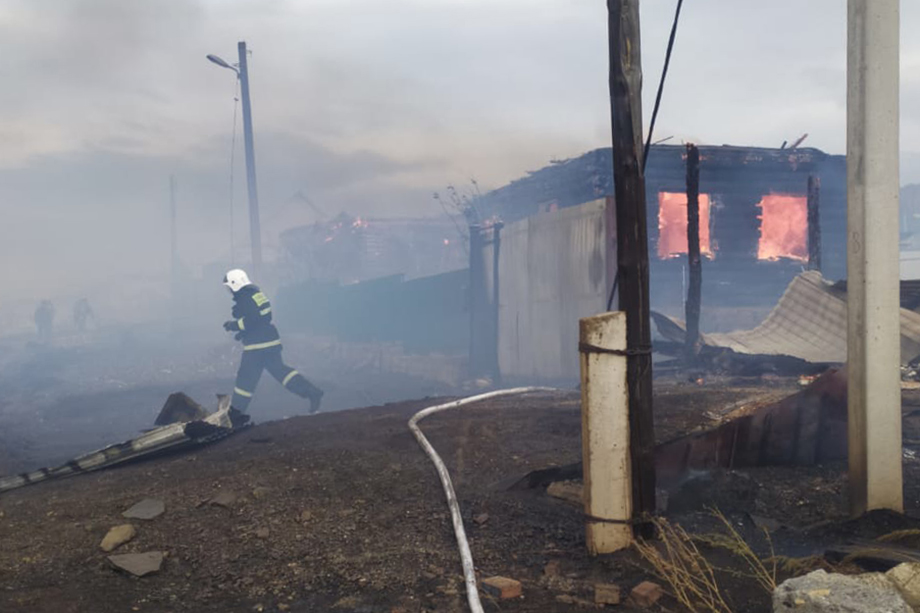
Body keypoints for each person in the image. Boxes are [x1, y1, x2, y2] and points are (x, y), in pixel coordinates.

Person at [221, 269, 323, 427]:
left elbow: (251, 319)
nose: (229, 291)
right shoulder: (256, 294)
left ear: (235, 284)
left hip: (257, 346)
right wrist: (242, 334)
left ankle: (235, 415)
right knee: (282, 372)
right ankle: (312, 392)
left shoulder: (245, 297)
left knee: (245, 379)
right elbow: (262, 318)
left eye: (229, 287)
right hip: (269, 342)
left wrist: (233, 325)